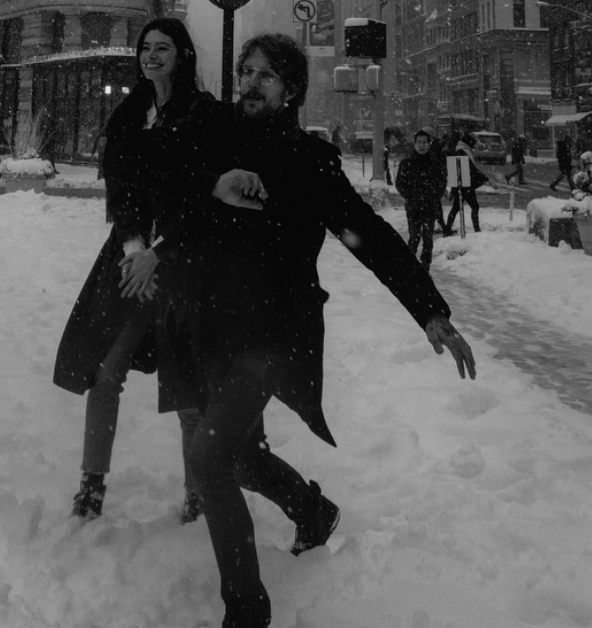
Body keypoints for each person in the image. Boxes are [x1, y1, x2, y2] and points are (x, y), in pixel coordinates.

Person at [158, 35, 475, 628]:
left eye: (267, 75)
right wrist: (210, 184)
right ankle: (313, 509)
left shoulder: (310, 160)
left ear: (293, 90)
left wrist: (429, 308)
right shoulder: (213, 136)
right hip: (212, 328)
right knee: (244, 462)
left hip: (274, 334)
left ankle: (247, 612)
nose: (251, 83)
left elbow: (367, 235)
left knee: (208, 458)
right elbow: (161, 176)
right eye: (245, 72)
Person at [53, 17, 221, 523]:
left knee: (187, 389)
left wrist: (159, 251)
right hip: (127, 262)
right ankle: (92, 481)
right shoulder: (128, 114)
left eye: (163, 47)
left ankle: (199, 491)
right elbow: (120, 189)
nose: (151, 56)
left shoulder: (202, 114)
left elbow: (203, 197)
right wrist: (132, 245)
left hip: (182, 264)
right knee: (106, 372)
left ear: (183, 55)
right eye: (145, 48)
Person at [394, 128, 446, 267]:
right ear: (414, 144)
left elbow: (442, 182)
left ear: (429, 144)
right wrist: (410, 197)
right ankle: (410, 267)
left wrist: (435, 197)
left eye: (424, 142)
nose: (421, 145)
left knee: (428, 238)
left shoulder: (435, 163)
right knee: (414, 237)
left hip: (430, 207)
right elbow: (399, 183)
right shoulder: (407, 163)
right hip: (413, 207)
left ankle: (425, 267)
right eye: (419, 142)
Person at [444, 133, 488, 235]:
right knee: (474, 206)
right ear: (469, 142)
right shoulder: (462, 151)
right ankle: (477, 230)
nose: (474, 144)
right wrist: (486, 179)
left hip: (461, 184)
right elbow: (472, 169)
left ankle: (447, 230)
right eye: (473, 142)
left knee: (456, 208)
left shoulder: (460, 150)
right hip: (465, 184)